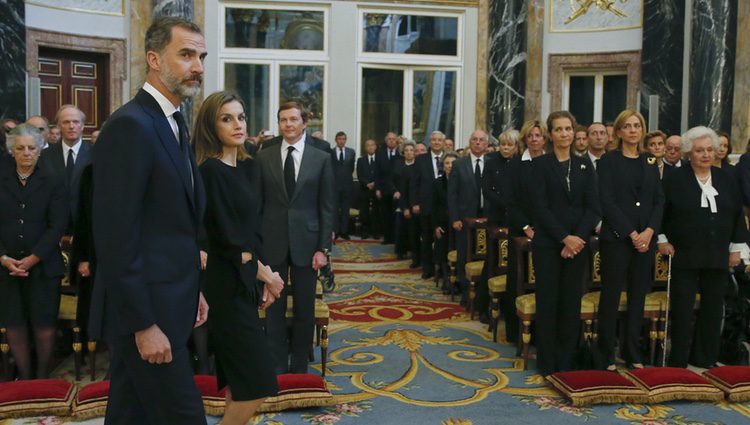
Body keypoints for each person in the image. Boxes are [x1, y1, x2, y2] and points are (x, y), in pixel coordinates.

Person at [90, 17, 209, 424]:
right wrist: (143, 324)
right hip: (146, 315)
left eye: (201, 56)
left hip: (172, 303)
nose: (198, 66)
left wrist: (193, 288)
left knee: (130, 413)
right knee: (185, 415)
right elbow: (115, 237)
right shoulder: (130, 126)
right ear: (154, 59)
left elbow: (173, 226)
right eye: (187, 54)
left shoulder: (173, 123)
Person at [194, 91, 284, 424]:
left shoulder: (246, 167)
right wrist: (268, 277)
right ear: (210, 125)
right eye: (226, 118)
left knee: (240, 382)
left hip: (244, 279)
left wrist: (261, 274)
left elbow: (252, 233)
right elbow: (230, 241)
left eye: (241, 117)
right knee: (259, 381)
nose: (237, 124)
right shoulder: (210, 171)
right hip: (225, 284)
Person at [254, 101, 334, 374]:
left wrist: (323, 248)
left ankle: (299, 365)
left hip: (308, 244)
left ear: (304, 123)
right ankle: (276, 364)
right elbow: (257, 203)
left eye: (292, 119)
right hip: (271, 240)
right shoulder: (264, 156)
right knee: (272, 306)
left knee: (304, 307)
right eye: (282, 120)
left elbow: (327, 207)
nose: (287, 124)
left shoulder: (321, 158)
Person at [658, 126, 747, 368]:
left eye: (709, 149)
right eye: (699, 151)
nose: (706, 155)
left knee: (712, 307)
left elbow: (737, 215)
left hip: (717, 253)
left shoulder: (726, 179)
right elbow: (660, 212)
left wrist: (736, 248)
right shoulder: (674, 179)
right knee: (683, 309)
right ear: (689, 153)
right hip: (685, 254)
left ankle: (705, 358)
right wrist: (662, 239)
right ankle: (679, 360)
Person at [530, 111, 600, 376]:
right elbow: (540, 207)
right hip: (549, 244)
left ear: (573, 132)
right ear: (551, 134)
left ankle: (567, 360)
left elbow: (594, 208)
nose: (564, 134)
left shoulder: (585, 166)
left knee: (571, 304)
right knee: (548, 302)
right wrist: (564, 237)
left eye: (568, 129)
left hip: (578, 247)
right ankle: (548, 363)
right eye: (558, 129)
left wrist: (577, 239)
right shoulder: (540, 165)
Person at [595, 110, 664, 371]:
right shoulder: (608, 161)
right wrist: (632, 233)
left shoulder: (649, 160)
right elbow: (607, 201)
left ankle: (632, 352)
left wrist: (648, 231)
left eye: (637, 126)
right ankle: (605, 356)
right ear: (619, 132)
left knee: (638, 297)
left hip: (645, 240)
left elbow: (659, 199)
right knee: (611, 297)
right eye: (628, 126)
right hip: (617, 239)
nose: (633, 130)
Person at [0, 125, 67, 380]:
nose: (26, 153)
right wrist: (4, 258)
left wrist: (32, 258)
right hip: (6, 268)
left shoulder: (53, 180)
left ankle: (41, 378)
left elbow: (57, 225)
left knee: (44, 325)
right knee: (15, 325)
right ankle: (25, 379)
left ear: (40, 150)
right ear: (11, 151)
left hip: (43, 266)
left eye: (31, 148)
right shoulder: (2, 177)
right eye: (20, 148)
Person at [504, 120, 547, 342]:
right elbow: (511, 202)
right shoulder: (515, 166)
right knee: (518, 280)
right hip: (521, 230)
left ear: (544, 139)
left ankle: (541, 334)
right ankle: (516, 332)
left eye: (538, 135)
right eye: (530, 136)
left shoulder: (552, 163)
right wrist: (526, 228)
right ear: (525, 140)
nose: (534, 139)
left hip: (549, 230)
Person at [477, 129, 515, 323]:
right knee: (491, 261)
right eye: (503, 145)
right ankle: (483, 307)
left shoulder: (520, 164)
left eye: (510, 145)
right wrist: (504, 203)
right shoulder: (491, 163)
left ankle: (509, 309)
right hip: (496, 218)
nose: (506, 148)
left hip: (515, 219)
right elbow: (486, 189)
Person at [447, 130, 489, 306]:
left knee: (486, 256)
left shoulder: (493, 163)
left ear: (486, 144)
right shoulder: (459, 164)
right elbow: (452, 194)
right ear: (469, 143)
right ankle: (466, 295)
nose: (478, 143)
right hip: (464, 219)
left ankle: (482, 296)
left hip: (488, 219)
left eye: (481, 140)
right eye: (474, 140)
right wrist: (455, 218)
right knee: (466, 255)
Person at [39, 105, 92, 230]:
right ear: (58, 126)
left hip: (86, 225)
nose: (71, 126)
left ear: (83, 126)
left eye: (76, 122)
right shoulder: (45, 156)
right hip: (52, 226)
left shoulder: (96, 155)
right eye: (66, 122)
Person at [411, 131, 446, 279]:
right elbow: (414, 183)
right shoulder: (421, 160)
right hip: (426, 205)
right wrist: (415, 202)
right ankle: (428, 269)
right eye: (434, 140)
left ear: (443, 142)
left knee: (443, 239)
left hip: (444, 207)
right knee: (426, 239)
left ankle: (443, 270)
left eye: (439, 140)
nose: (437, 142)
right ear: (430, 142)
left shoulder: (449, 158)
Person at [432, 152, 459, 293]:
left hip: (457, 223)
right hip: (442, 224)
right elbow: (434, 206)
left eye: (453, 163)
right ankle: (447, 281)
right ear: (443, 165)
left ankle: (456, 280)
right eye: (447, 163)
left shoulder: (462, 181)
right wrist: (436, 226)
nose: (450, 166)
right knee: (443, 250)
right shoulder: (437, 183)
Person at [393, 141, 419, 265]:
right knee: (401, 229)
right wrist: (405, 207)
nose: (409, 152)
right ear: (404, 152)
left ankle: (416, 256)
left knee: (414, 232)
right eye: (407, 150)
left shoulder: (419, 167)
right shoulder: (401, 167)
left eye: (411, 150)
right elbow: (403, 189)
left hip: (417, 204)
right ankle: (400, 251)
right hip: (404, 203)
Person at [375, 132, 401, 244]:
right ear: (386, 141)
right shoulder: (380, 153)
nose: (391, 141)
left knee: (396, 215)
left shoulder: (400, 154)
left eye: (393, 139)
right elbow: (377, 172)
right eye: (389, 139)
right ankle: (387, 237)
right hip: (384, 189)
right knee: (385, 215)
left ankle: (396, 238)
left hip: (397, 190)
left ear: (397, 141)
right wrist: (377, 188)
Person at [331, 131, 355, 240]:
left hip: (347, 185)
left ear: (346, 140)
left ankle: (344, 231)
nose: (341, 141)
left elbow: (351, 168)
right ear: (336, 140)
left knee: (345, 209)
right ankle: (335, 231)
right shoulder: (330, 152)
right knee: (335, 209)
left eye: (343, 139)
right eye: (339, 139)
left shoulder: (351, 152)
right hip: (334, 185)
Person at [356, 139, 378, 239]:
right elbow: (360, 175)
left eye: (372, 145)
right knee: (364, 211)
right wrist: (367, 184)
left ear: (375, 147)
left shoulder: (379, 160)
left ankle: (375, 232)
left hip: (377, 189)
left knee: (376, 211)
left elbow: (381, 174)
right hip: (364, 189)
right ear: (365, 148)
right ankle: (364, 231)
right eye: (368, 145)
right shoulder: (361, 160)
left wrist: (375, 183)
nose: (370, 147)